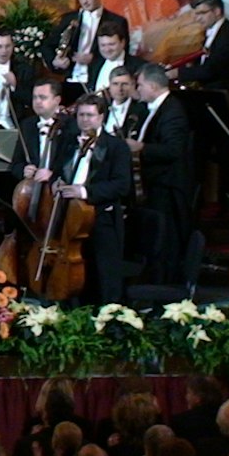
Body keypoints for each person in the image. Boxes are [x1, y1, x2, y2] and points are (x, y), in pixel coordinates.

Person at [51, 93, 134, 303]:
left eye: (90, 115)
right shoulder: (68, 142)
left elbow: (122, 185)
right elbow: (57, 170)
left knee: (103, 272)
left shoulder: (116, 147)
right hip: (69, 215)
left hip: (100, 217)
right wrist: (56, 182)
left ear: (101, 117)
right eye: (81, 115)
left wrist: (85, 192)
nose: (85, 120)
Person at [128, 64, 194, 285]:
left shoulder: (173, 111)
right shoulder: (151, 108)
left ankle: (166, 291)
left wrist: (141, 148)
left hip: (167, 186)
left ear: (154, 86)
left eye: (141, 85)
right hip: (153, 184)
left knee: (167, 242)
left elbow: (173, 150)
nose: (138, 89)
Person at [51, 0, 129, 100]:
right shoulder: (68, 19)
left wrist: (93, 59)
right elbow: (48, 45)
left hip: (99, 82)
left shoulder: (117, 21)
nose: (85, 1)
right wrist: (55, 61)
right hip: (70, 79)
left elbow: (123, 55)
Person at [88, 22, 146, 95]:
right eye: (103, 45)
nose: (107, 49)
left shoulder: (140, 66)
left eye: (111, 44)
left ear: (122, 43)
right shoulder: (94, 64)